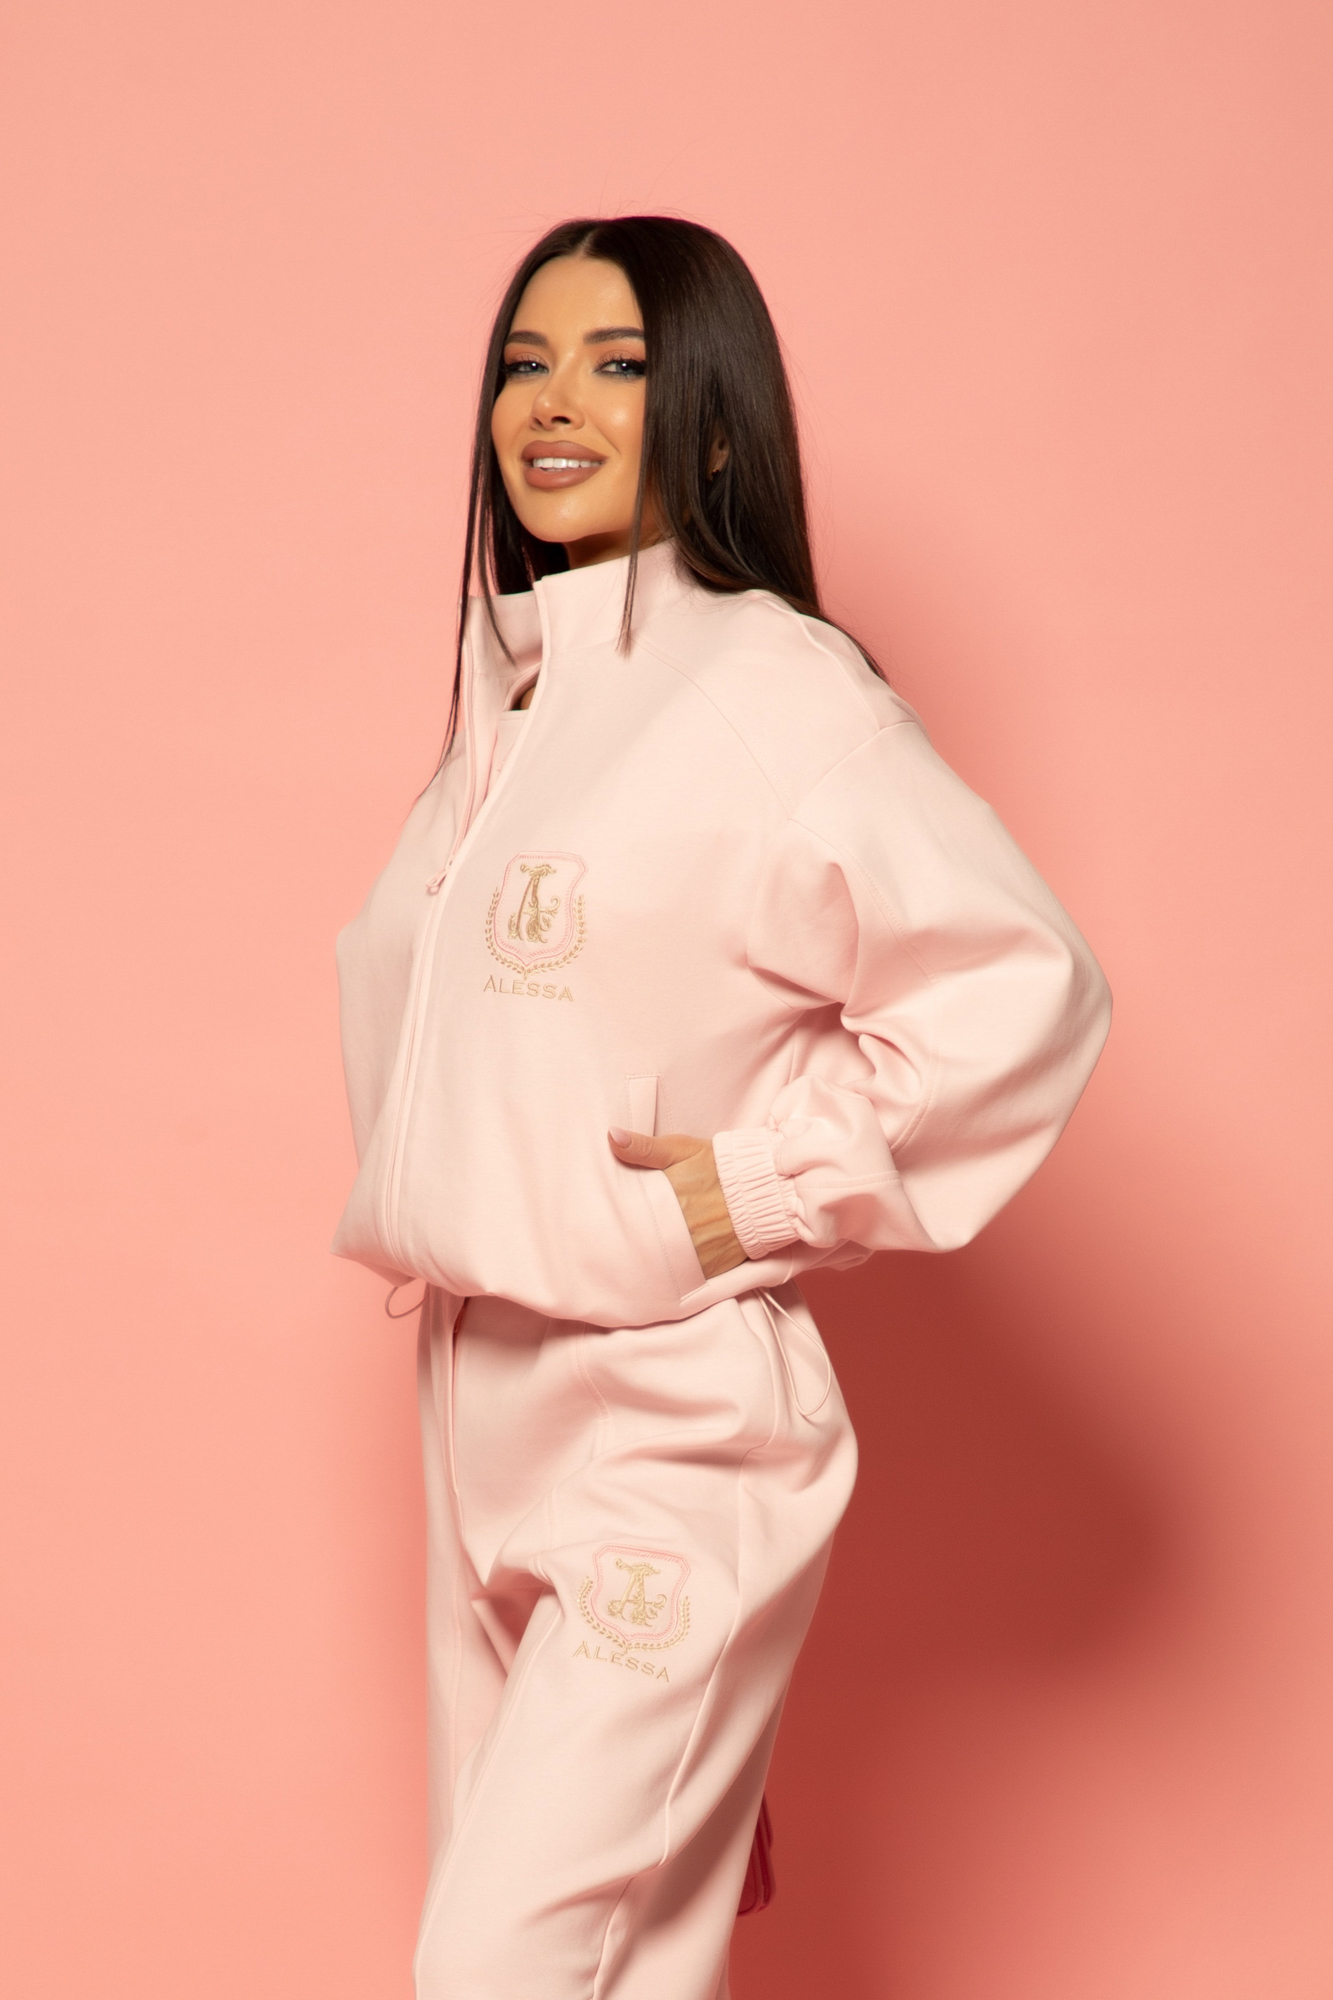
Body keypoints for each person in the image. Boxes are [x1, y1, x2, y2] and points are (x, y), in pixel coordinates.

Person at [332, 215, 1111, 2000]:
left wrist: (759, 1187)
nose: (553, 403)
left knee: (499, 1970)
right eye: (525, 363)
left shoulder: (766, 689)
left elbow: (1022, 985)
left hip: (663, 1421)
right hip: (472, 1404)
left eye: (616, 365)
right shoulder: (513, 704)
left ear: (706, 419)